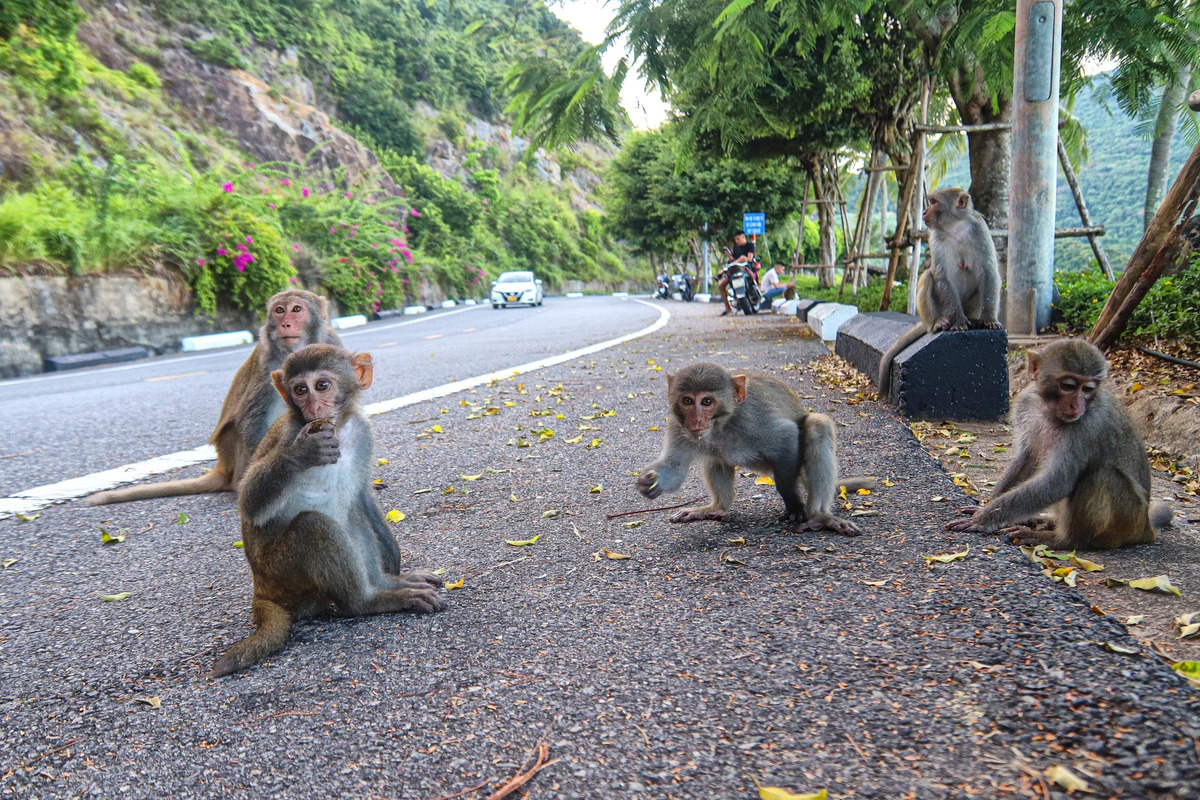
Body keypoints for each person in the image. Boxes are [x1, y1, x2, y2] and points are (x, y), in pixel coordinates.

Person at [718, 231, 756, 315]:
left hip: (745, 269)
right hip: (734, 270)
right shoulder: (736, 247)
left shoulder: (750, 245)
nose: (736, 241)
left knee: (743, 258)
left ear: (743, 237)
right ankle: (728, 308)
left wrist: (739, 260)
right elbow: (733, 259)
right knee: (721, 285)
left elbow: (749, 259)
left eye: (738, 239)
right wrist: (730, 257)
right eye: (735, 239)